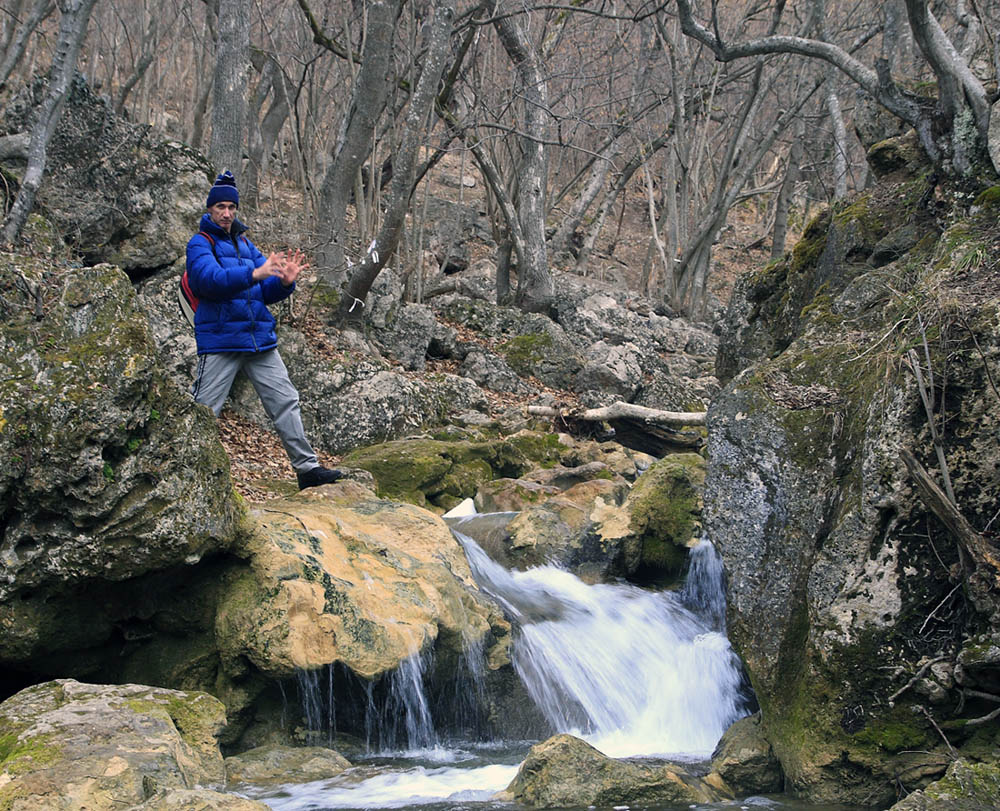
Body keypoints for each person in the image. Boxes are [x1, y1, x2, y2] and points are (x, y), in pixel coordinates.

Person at [185, 170, 342, 490]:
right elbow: (209, 282)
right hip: (221, 341)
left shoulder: (244, 243)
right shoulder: (200, 244)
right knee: (203, 412)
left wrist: (285, 283)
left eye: (231, 207)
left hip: (259, 341)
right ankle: (183, 469)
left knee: (286, 400)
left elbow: (265, 291)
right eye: (220, 208)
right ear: (210, 210)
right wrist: (255, 273)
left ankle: (307, 469)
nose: (227, 213)